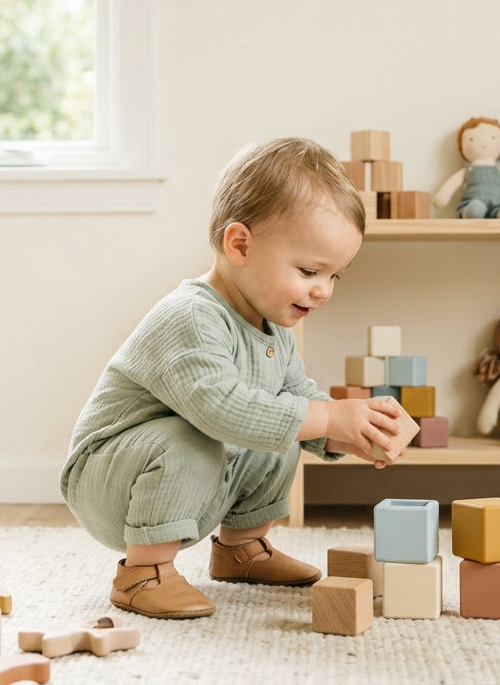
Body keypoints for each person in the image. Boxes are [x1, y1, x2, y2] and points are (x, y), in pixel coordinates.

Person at [60, 137, 406, 620]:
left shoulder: (271, 323)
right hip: (110, 479)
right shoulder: (191, 316)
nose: (323, 291)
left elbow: (295, 395)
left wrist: (346, 430)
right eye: (309, 270)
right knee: (217, 431)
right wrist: (324, 417)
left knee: (286, 424)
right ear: (239, 244)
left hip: (189, 478)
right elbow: (221, 409)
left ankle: (242, 548)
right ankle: (142, 573)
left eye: (335, 277)